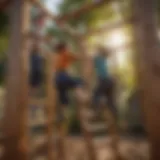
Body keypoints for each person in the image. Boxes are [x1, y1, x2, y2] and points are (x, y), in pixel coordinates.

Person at [54, 42, 83, 118]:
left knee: (63, 96)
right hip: (62, 76)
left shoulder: (58, 56)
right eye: (67, 47)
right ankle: (79, 94)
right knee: (79, 82)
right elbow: (77, 57)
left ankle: (62, 114)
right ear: (64, 48)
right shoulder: (65, 53)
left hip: (57, 79)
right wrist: (79, 48)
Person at [93, 46, 117, 117]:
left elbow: (92, 59)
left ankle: (97, 110)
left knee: (96, 94)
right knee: (110, 100)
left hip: (104, 80)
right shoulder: (104, 59)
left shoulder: (97, 58)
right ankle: (115, 115)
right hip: (110, 81)